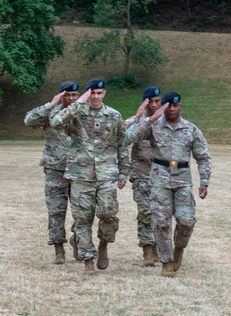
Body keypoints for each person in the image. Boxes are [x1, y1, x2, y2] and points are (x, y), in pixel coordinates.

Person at [125, 92, 212, 277]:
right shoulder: (154, 126)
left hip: (182, 179)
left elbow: (203, 156)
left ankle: (179, 249)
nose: (172, 109)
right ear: (164, 106)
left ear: (180, 106)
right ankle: (166, 262)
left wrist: (204, 181)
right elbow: (129, 136)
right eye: (169, 106)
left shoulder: (190, 128)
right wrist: (149, 119)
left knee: (186, 220)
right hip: (159, 179)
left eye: (176, 105)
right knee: (162, 222)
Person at [50, 78, 130, 274]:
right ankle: (88, 261)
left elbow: (121, 145)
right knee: (82, 219)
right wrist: (79, 102)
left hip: (106, 175)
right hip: (80, 175)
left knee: (108, 214)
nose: (96, 97)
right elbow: (56, 121)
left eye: (99, 93)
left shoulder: (113, 115)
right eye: (92, 93)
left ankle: (104, 245)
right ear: (88, 94)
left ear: (105, 94)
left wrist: (124, 172)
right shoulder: (76, 114)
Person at [24, 81, 80, 264]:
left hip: (80, 170)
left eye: (74, 95)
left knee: (83, 211)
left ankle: (78, 240)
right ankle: (58, 249)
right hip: (55, 170)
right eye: (67, 95)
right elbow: (29, 120)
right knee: (56, 211)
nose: (71, 99)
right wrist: (51, 104)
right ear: (61, 96)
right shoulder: (50, 112)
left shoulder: (83, 112)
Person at [123, 86, 162, 266]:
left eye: (157, 101)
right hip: (142, 174)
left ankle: (159, 248)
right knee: (145, 212)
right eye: (150, 102)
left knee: (162, 215)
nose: (154, 105)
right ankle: (147, 249)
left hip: (163, 176)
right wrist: (138, 116)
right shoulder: (137, 122)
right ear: (144, 103)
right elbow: (123, 137)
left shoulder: (167, 121)